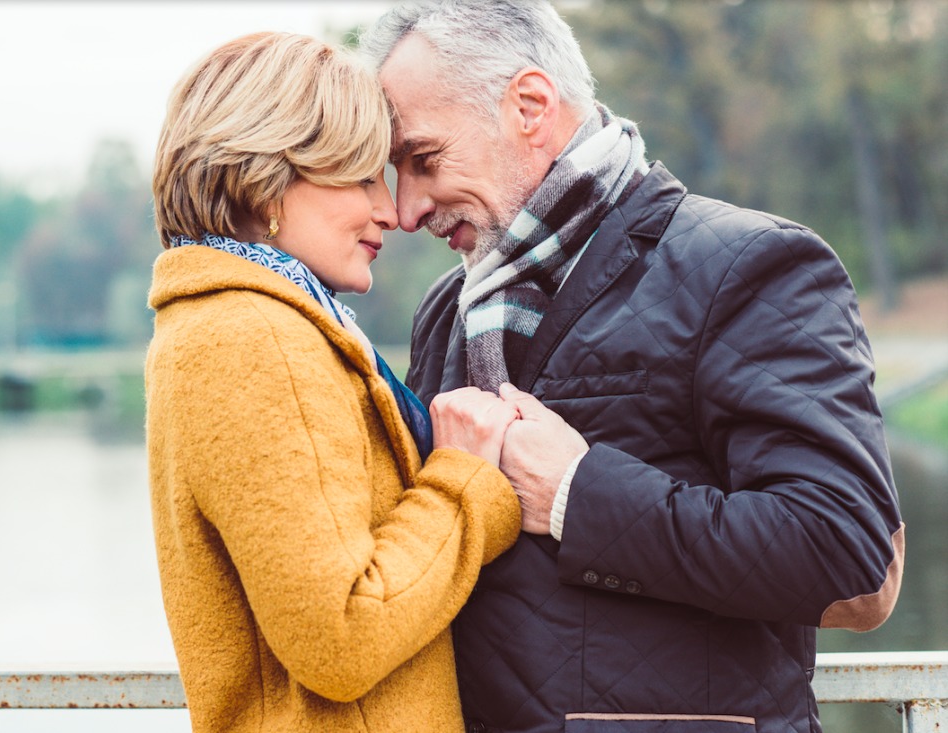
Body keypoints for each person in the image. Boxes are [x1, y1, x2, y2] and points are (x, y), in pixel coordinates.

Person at [360, 3, 905, 732]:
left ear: (530, 107)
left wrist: (576, 494)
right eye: (393, 172)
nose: (405, 209)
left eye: (423, 160)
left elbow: (842, 547)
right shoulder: (447, 309)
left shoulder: (747, 264)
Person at [146, 31, 522, 733]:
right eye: (358, 178)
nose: (390, 210)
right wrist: (466, 479)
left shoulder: (243, 321)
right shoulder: (254, 338)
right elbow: (342, 636)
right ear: (265, 179)